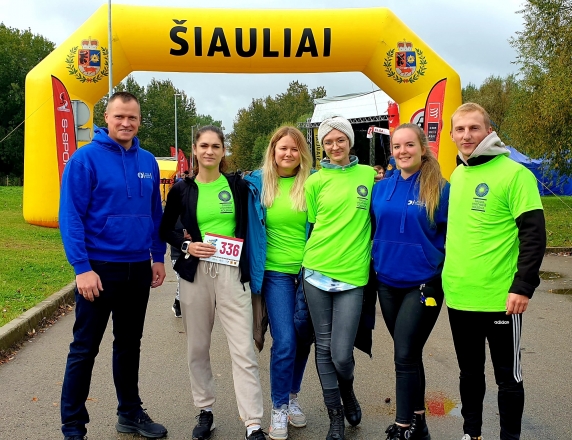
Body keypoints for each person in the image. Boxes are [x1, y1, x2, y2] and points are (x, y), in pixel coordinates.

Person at [59, 92, 167, 440]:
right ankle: (73, 428)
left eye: (132, 117)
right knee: (84, 349)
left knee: (129, 345)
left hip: (137, 268)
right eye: (119, 116)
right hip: (99, 270)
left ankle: (129, 413)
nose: (126, 123)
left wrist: (158, 257)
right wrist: (82, 268)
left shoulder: (148, 161)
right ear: (106, 118)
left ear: (139, 121)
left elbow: (155, 213)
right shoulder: (84, 159)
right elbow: (70, 216)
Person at [443, 103, 546, 440]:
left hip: (501, 299)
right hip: (460, 296)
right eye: (460, 129)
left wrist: (523, 286)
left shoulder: (515, 174)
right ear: (451, 135)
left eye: (474, 128)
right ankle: (471, 434)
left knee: (508, 378)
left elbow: (534, 235)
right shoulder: (458, 174)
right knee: (469, 374)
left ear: (489, 131)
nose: (467, 135)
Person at [159, 125, 266, 440]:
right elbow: (165, 229)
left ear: (223, 151)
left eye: (215, 146)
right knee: (198, 347)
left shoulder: (237, 186)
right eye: (203, 146)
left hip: (232, 272)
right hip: (196, 274)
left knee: (243, 349)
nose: (209, 151)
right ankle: (205, 410)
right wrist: (186, 245)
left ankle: (253, 423)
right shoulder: (182, 189)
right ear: (195, 149)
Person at [371, 123, 449, 440]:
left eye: (409, 145)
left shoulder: (440, 189)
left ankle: (402, 427)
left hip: (423, 283)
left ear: (422, 148)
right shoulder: (381, 188)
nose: (403, 151)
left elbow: (455, 235)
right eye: (397, 146)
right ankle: (419, 424)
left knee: (404, 353)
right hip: (387, 282)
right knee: (410, 352)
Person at [302, 115, 376, 440]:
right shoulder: (314, 182)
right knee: (323, 347)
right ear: (322, 146)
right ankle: (335, 416)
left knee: (342, 355)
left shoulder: (369, 176)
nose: (335, 146)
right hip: (316, 270)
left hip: (353, 276)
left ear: (350, 142)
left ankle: (348, 391)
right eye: (328, 142)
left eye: (340, 140)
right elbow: (314, 224)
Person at [245, 126, 313, 440]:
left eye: (294, 149)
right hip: (275, 273)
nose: (288, 153)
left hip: (309, 272)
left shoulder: (312, 183)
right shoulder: (257, 184)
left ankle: (292, 395)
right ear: (273, 151)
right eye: (283, 148)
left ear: (302, 153)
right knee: (284, 340)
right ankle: (279, 407)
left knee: (303, 337)